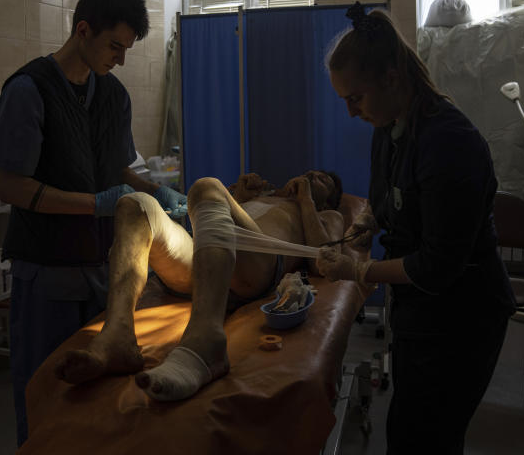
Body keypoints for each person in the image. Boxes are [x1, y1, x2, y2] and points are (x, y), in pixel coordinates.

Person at [0, 0, 188, 446]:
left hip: (106, 269)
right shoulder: (29, 90)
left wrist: (155, 191)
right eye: (114, 46)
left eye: (126, 48)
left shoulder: (112, 95)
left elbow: (117, 172)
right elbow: (11, 186)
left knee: (103, 396)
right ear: (82, 30)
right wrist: (94, 204)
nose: (120, 58)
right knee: (46, 395)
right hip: (48, 272)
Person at [316, 3, 516, 455]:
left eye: (355, 98)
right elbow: (388, 202)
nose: (350, 112)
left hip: (463, 319)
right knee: (407, 430)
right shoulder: (387, 128)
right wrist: (369, 220)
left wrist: (360, 272)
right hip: (419, 315)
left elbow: (438, 264)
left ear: (391, 77)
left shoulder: (450, 141)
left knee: (427, 438)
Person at [52, 169, 346, 401]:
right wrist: (239, 195)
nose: (311, 176)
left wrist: (306, 200)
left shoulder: (325, 215)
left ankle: (205, 341)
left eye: (322, 180)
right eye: (310, 173)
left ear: (328, 199)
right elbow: (214, 221)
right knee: (134, 205)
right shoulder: (267, 196)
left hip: (259, 267)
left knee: (206, 185)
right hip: (206, 263)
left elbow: (325, 257)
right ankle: (118, 336)